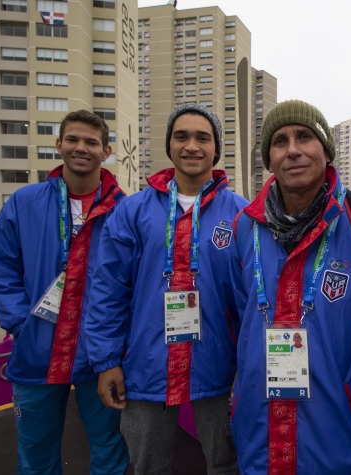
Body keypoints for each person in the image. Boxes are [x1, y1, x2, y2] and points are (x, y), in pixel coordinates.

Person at [228, 100, 351, 474]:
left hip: (342, 441)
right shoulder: (244, 227)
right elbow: (239, 319)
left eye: (304, 137)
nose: (292, 150)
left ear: (326, 150)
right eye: (279, 141)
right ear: (269, 159)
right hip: (261, 437)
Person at [84, 103, 246, 475]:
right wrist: (107, 361)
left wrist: (248, 363)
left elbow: (251, 297)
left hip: (219, 366)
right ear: (169, 145)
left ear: (216, 149)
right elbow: (108, 290)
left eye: (203, 137)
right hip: (145, 366)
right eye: (181, 136)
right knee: (147, 465)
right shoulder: (132, 212)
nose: (192, 146)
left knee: (226, 463)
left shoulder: (241, 214)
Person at [0, 109, 128, 474]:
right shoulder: (24, 202)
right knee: (36, 455)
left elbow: (137, 280)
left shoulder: (126, 209)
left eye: (91, 142)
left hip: (103, 357)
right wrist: (22, 324)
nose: (81, 148)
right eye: (73, 139)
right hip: (37, 353)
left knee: (109, 451)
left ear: (106, 150)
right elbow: (1, 267)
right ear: (58, 144)